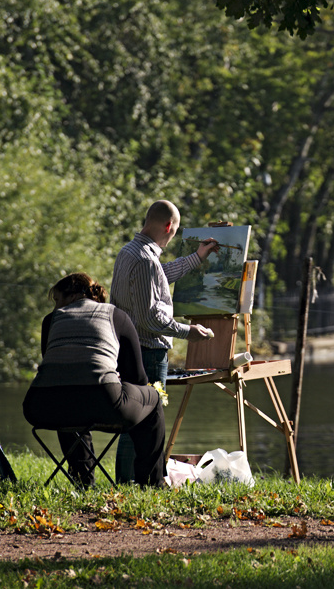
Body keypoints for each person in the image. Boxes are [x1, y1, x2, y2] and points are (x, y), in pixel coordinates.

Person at [110, 199, 220, 482]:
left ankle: (129, 481)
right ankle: (138, 482)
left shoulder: (130, 252)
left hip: (128, 349)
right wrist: (188, 331)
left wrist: (196, 257)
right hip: (147, 351)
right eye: (175, 231)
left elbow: (158, 278)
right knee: (145, 422)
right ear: (169, 226)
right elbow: (149, 318)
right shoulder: (146, 259)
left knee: (133, 419)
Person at [23, 272, 167, 487]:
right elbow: (137, 377)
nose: (56, 307)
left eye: (58, 300)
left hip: (40, 406)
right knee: (152, 398)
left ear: (73, 297)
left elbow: (57, 368)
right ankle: (151, 482)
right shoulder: (116, 315)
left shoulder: (50, 320)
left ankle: (83, 478)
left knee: (67, 397)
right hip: (104, 402)